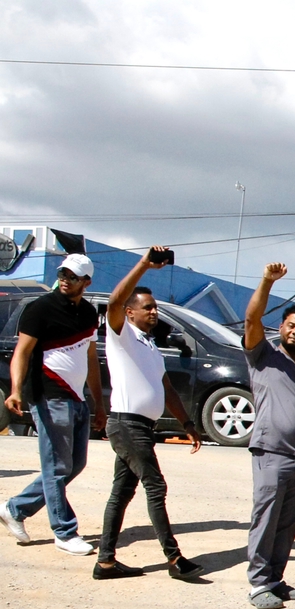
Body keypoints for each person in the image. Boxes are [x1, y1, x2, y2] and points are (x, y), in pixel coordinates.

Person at [93, 247, 204, 582]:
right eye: (148, 307)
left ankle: (106, 562)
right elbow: (113, 302)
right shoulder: (121, 335)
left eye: (155, 307)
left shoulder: (149, 345)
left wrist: (187, 424)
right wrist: (144, 264)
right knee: (155, 486)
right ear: (129, 313)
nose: (154, 312)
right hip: (126, 424)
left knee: (122, 492)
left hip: (142, 426)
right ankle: (174, 559)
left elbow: (166, 387)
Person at [240, 264, 295, 609]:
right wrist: (266, 281)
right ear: (281, 328)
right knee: (265, 519)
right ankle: (258, 584)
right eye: (290, 326)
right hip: (271, 453)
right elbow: (251, 320)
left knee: (287, 524)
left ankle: (275, 579)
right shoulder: (263, 357)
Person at [3, 253, 105, 555]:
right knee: (57, 467)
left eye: (72, 276)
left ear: (86, 282)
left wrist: (99, 403)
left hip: (76, 397)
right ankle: (64, 531)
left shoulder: (88, 313)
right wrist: (16, 390)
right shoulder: (40, 308)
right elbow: (22, 352)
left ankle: (14, 509)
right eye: (63, 273)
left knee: (74, 465)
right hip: (48, 395)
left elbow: (90, 358)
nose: (64, 279)